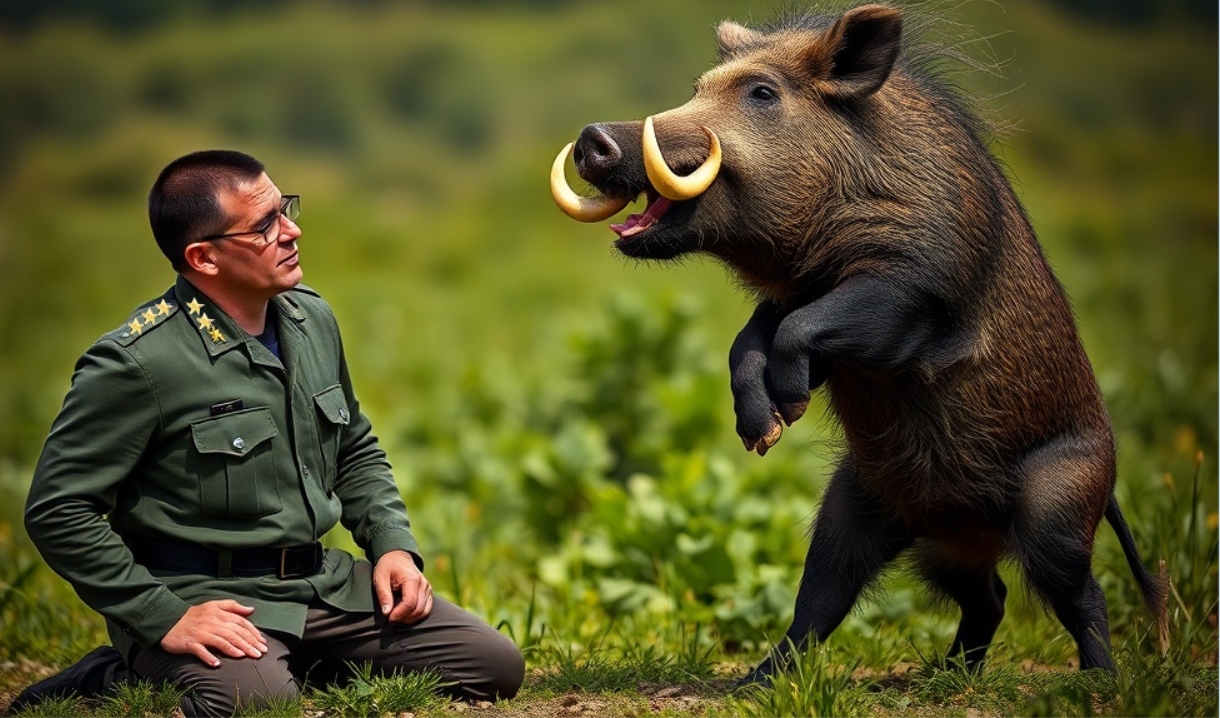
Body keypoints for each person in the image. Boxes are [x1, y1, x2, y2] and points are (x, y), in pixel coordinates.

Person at [15, 150, 524, 717]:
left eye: (285, 209)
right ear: (203, 257)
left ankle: (282, 660)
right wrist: (163, 616)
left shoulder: (311, 320)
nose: (292, 231)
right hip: (204, 598)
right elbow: (58, 509)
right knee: (258, 705)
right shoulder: (137, 363)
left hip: (318, 587)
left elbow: (354, 447)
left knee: (492, 666)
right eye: (265, 226)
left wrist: (392, 547)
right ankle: (114, 672)